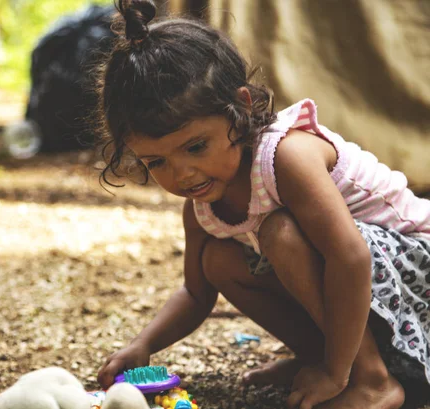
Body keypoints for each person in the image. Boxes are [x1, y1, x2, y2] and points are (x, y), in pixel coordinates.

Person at [94, 1, 430, 408]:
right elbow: (196, 292)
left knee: (280, 234)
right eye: (157, 162)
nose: (182, 175)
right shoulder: (204, 204)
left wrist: (335, 373)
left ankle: (371, 380)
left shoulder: (287, 157)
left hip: (416, 279)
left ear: (242, 107)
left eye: (196, 146)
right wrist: (142, 345)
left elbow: (351, 258)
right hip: (368, 299)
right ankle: (321, 357)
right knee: (218, 260)